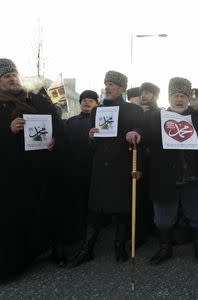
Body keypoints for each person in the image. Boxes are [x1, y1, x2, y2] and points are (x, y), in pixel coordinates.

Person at [0, 58, 64, 283]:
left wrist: (55, 139)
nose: (12, 78)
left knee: (42, 212)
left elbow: (57, 123)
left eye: (14, 74)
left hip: (38, 172)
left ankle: (45, 250)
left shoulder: (37, 98)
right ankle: (12, 264)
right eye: (7, 77)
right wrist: (8, 130)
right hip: (8, 177)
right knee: (10, 220)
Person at [134, 77, 198, 265]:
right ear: (169, 98)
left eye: (183, 96)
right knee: (163, 218)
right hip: (165, 176)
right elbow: (142, 133)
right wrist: (135, 132)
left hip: (194, 177)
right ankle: (165, 249)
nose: (179, 99)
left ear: (188, 98)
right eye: (175, 95)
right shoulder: (155, 117)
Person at [70, 71, 144, 266]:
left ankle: (119, 245)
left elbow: (142, 134)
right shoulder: (97, 111)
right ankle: (87, 247)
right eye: (106, 83)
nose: (108, 87)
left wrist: (135, 132)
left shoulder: (134, 110)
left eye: (112, 84)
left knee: (122, 209)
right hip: (100, 166)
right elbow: (93, 144)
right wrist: (91, 137)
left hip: (123, 165)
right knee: (94, 210)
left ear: (122, 88)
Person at [64, 90, 99, 267]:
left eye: (91, 100)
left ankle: (88, 247)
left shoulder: (101, 122)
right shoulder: (70, 122)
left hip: (95, 172)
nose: (87, 102)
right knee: (77, 208)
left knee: (92, 209)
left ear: (97, 104)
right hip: (74, 171)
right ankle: (76, 241)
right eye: (84, 100)